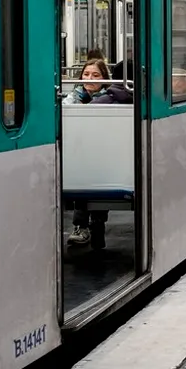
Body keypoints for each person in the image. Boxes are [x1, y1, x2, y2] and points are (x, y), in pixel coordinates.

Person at [63, 58, 131, 247]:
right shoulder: (72, 98)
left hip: (106, 152)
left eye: (95, 75)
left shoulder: (112, 100)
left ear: (104, 78)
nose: (89, 78)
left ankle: (95, 223)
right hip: (79, 150)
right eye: (86, 74)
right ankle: (84, 226)